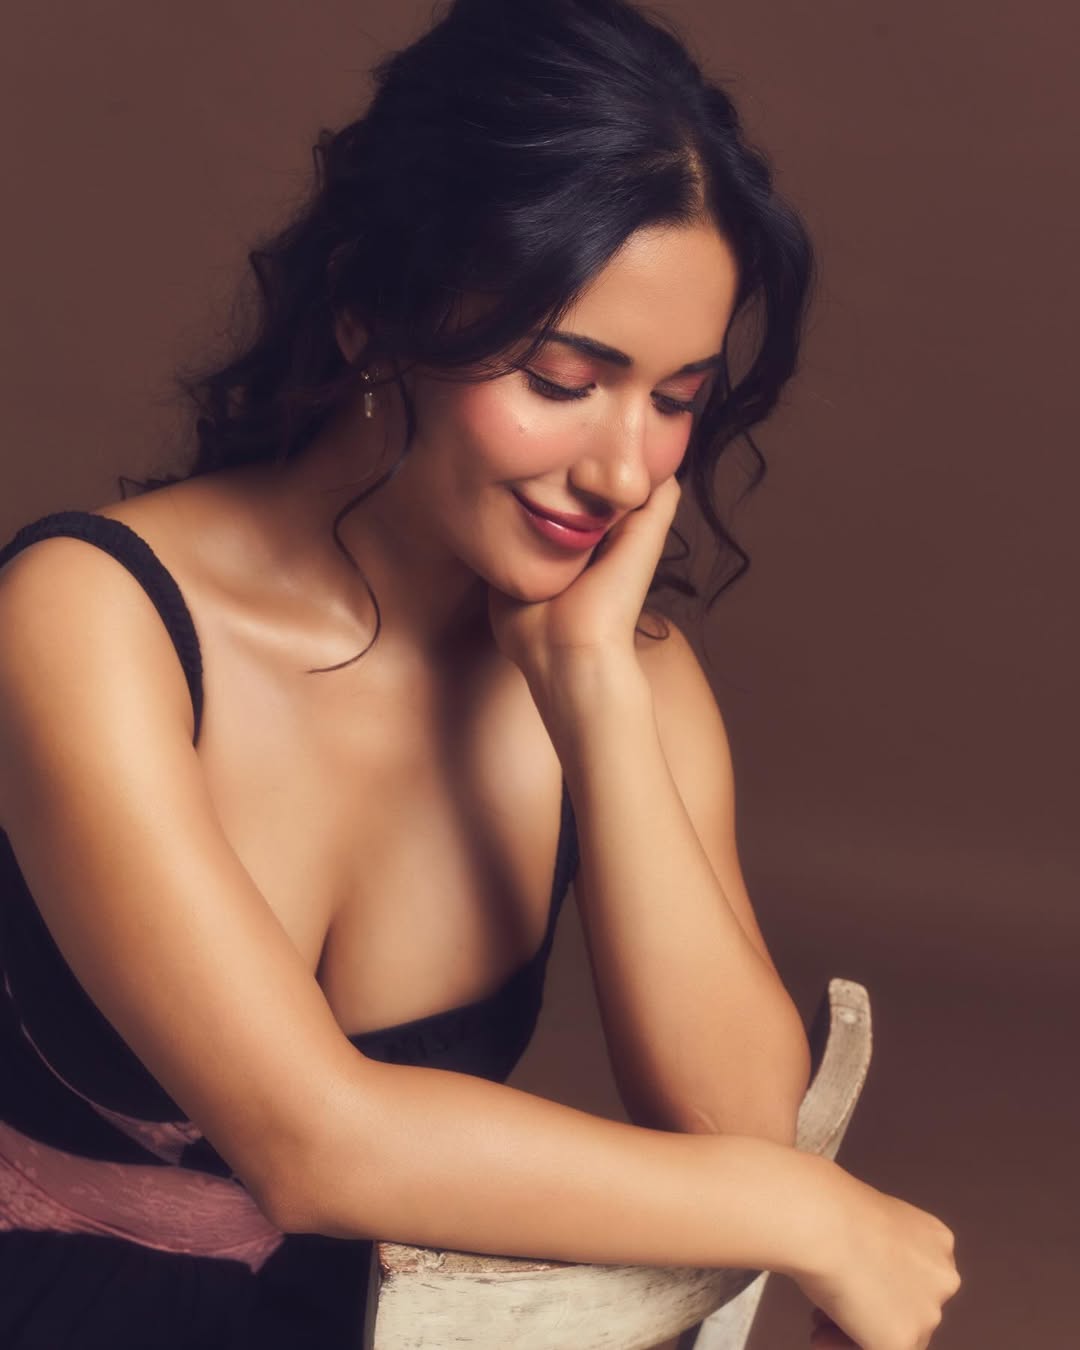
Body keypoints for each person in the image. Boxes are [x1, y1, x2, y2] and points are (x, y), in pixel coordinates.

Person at [0, 0, 960, 1346]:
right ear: (372, 316)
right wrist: (821, 1216)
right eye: (565, 378)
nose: (622, 470)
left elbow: (744, 1134)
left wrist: (597, 700)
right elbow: (311, 1142)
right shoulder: (89, 615)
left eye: (676, 399)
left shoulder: (624, 672)